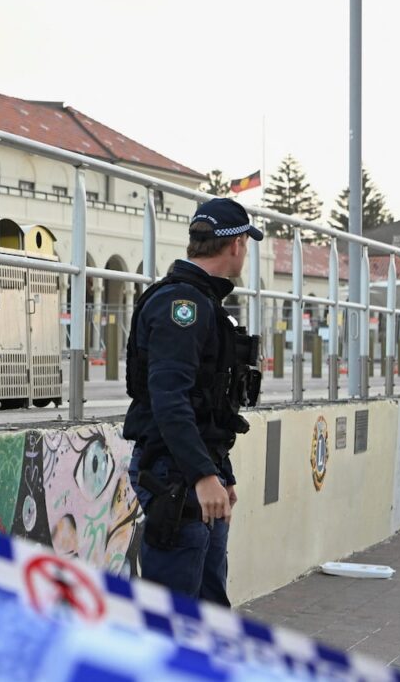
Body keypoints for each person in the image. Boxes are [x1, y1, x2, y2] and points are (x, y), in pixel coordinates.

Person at [123, 197, 264, 605]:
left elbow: (207, 404)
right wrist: (203, 475)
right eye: (245, 245)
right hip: (175, 474)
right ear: (236, 244)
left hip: (194, 469)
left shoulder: (202, 302)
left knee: (209, 603)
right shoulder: (181, 306)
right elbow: (170, 400)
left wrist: (220, 472)